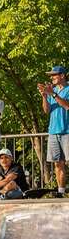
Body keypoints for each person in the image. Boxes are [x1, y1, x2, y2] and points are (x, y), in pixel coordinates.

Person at [37, 65, 69, 197]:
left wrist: (53, 94)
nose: (52, 78)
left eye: (54, 75)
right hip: (53, 131)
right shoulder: (53, 90)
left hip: (67, 131)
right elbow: (46, 110)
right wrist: (45, 96)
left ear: (62, 75)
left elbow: (67, 106)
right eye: (51, 75)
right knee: (58, 163)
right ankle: (61, 192)